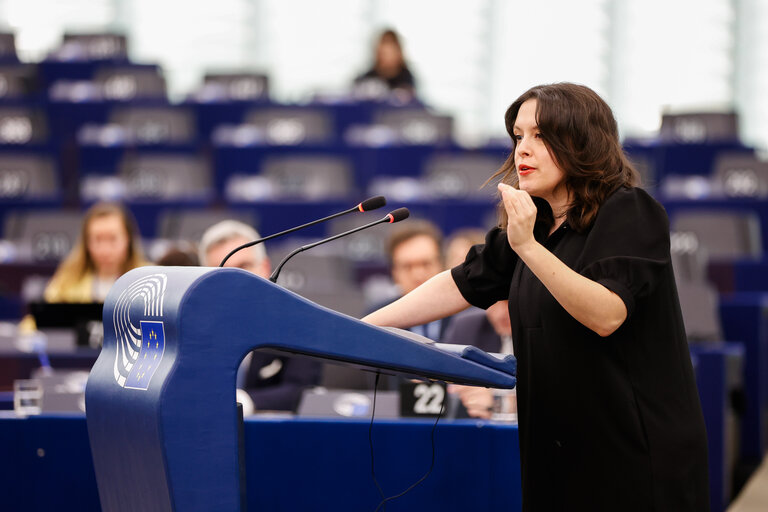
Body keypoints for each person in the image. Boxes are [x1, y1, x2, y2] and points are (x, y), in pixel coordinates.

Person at [364, 83, 709, 511]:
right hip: (556, 450)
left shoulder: (629, 211)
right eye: (518, 136)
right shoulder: (535, 223)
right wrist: (360, 328)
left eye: (540, 135)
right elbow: (460, 282)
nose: (522, 150)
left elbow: (606, 313)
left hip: (632, 454)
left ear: (581, 140)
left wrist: (528, 245)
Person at [199, 220, 321, 413]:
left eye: (243, 266)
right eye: (221, 270)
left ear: (265, 267)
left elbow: (302, 389)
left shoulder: (298, 321)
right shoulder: (195, 326)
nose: (234, 278)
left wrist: (245, 402)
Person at [44, 202, 148, 303]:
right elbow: (38, 317)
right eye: (98, 240)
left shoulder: (150, 279)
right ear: (86, 243)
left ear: (128, 240)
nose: (105, 250)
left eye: (113, 239)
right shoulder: (68, 280)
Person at [443, 300, 516, 419]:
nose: (501, 313)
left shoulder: (550, 329)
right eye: (494, 302)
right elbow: (446, 382)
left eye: (508, 303)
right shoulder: (468, 326)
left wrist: (498, 402)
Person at [354, 29, 415, 96]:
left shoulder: (406, 79)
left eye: (390, 53)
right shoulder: (366, 79)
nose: (386, 57)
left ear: (398, 53)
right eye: (384, 53)